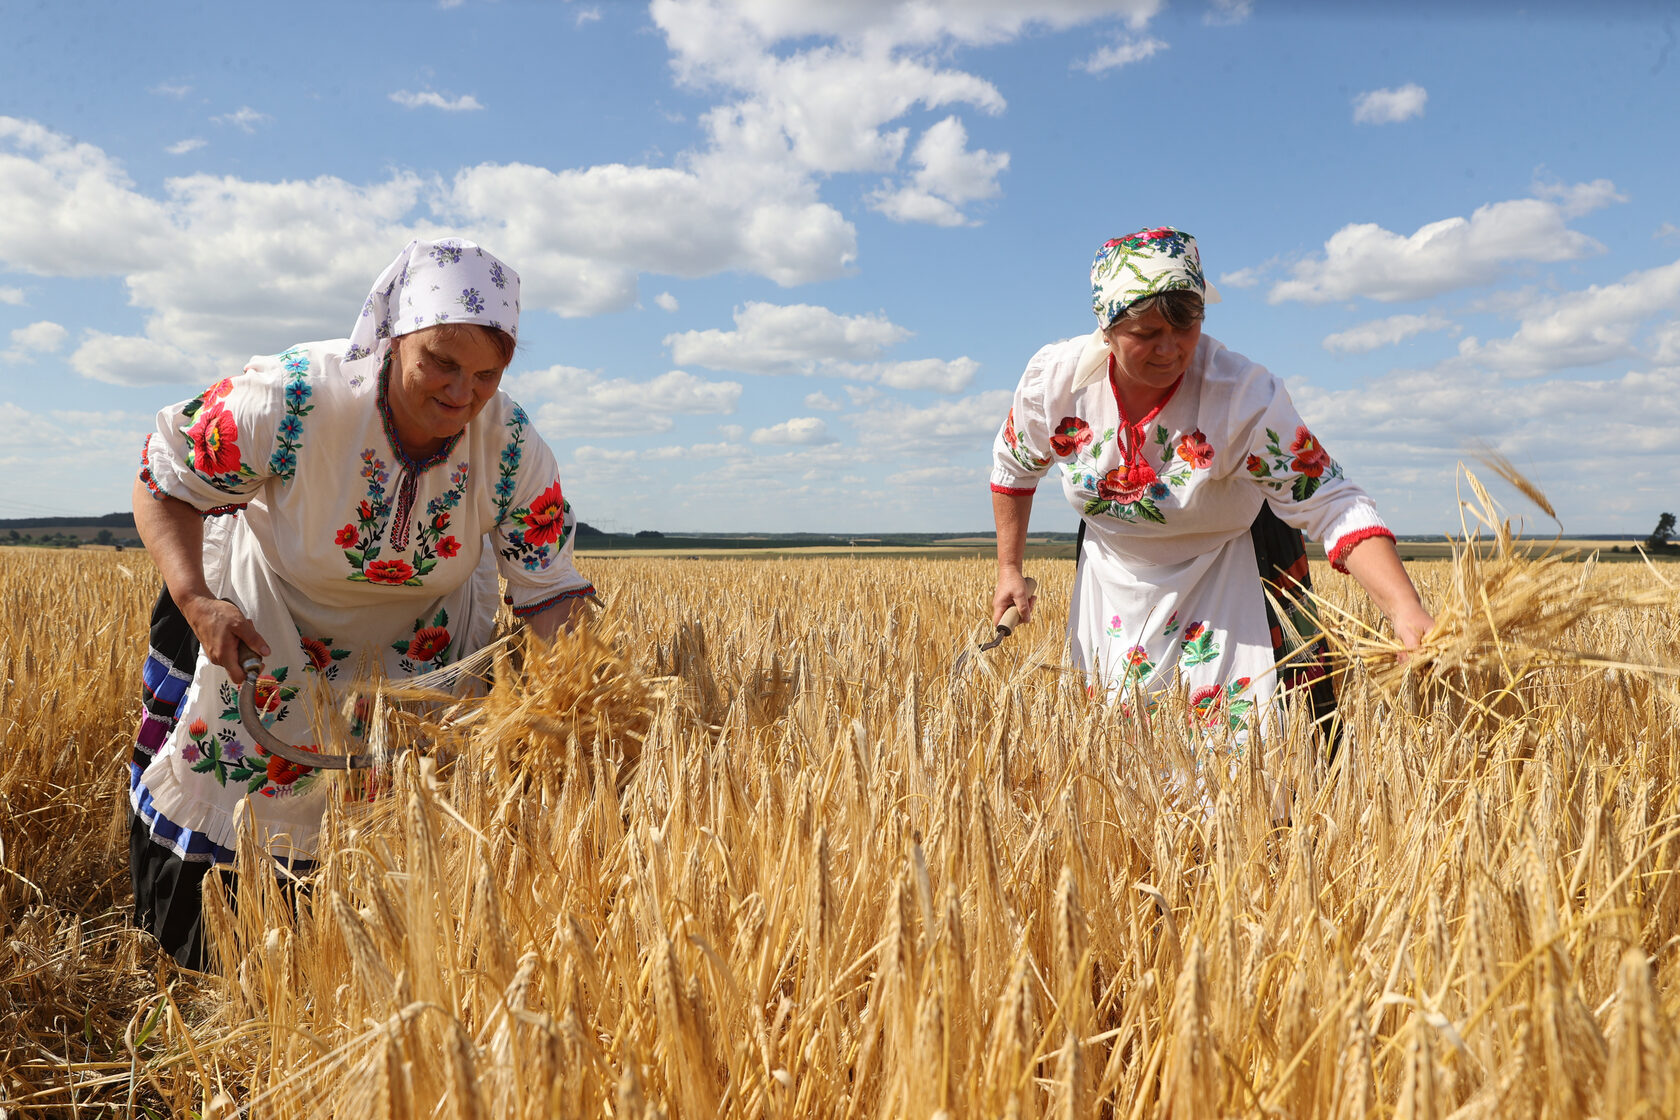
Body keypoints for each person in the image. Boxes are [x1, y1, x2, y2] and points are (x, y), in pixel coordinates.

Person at [128, 237, 594, 968]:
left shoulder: (509, 446)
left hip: (418, 652)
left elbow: (549, 589)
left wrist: (581, 694)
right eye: (440, 361)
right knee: (252, 798)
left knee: (400, 816)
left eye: (486, 374)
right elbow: (166, 478)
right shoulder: (295, 397)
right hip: (270, 623)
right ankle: (231, 967)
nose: (461, 392)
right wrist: (194, 598)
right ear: (396, 333)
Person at [989, 227, 1432, 738]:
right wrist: (1009, 569)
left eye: (1187, 325)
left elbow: (1331, 501)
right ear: (1106, 329)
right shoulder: (1056, 381)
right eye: (1146, 332)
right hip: (1108, 577)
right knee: (1117, 748)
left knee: (1243, 750)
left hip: (1226, 571)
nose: (1170, 349)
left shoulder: (1241, 395)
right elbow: (1014, 468)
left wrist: (1403, 606)